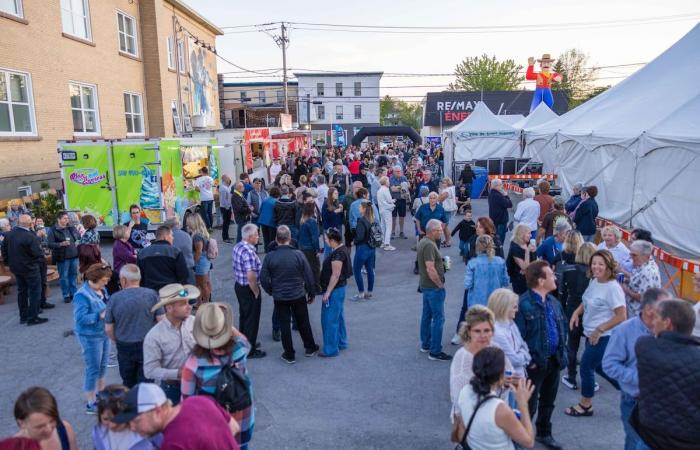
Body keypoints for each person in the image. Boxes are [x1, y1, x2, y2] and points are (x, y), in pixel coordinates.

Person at [602, 287, 672, 450]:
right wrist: (639, 378)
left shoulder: (669, 329)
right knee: (636, 443)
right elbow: (609, 365)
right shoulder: (624, 331)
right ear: (648, 309)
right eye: (666, 307)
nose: (671, 312)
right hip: (634, 402)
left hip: (661, 402)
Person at [181, 303, 254, 449]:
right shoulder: (239, 350)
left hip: (214, 431)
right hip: (242, 422)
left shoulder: (193, 364)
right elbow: (245, 341)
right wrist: (226, 324)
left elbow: (187, 404)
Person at [565, 250, 626, 417]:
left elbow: (622, 315)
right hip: (591, 332)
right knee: (601, 368)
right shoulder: (594, 281)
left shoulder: (613, 288)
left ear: (608, 266)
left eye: (600, 264)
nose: (596, 267)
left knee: (586, 366)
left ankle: (586, 405)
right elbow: (586, 300)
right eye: (594, 263)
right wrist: (576, 313)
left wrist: (600, 329)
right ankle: (632, 391)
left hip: (603, 336)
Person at [514, 261, 568, 450]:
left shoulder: (554, 302)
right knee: (529, 404)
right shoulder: (523, 305)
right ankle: (522, 437)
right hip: (534, 365)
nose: (555, 277)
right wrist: (530, 363)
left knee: (548, 401)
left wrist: (563, 354)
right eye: (551, 275)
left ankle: (544, 433)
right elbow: (518, 338)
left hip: (553, 360)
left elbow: (562, 329)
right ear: (540, 280)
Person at [633, 299, 700, 450]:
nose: (652, 322)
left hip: (650, 439)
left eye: (656, 317)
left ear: (667, 323)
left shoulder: (645, 346)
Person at [112, 383, 240, 450]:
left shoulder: (173, 443)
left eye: (136, 420)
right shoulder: (199, 401)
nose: (133, 427)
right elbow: (234, 427)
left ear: (157, 410)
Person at [454, 347, 536, 450]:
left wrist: (500, 382)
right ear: (501, 375)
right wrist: (523, 404)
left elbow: (462, 426)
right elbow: (528, 442)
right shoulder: (500, 409)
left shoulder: (465, 391)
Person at [260, 225, 319, 364]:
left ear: (276, 239)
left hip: (280, 296)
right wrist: (311, 292)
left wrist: (271, 290)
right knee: (303, 321)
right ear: (290, 238)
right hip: (298, 294)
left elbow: (263, 278)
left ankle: (289, 353)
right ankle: (310, 347)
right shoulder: (298, 254)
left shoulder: (270, 256)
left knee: (284, 324)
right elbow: (309, 275)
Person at [105, 264, 164, 387]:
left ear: (124, 280)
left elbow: (108, 328)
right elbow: (162, 321)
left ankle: (131, 404)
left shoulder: (114, 299)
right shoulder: (152, 295)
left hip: (124, 345)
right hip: (147, 344)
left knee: (128, 383)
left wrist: (117, 340)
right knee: (147, 383)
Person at [143, 283, 198, 405]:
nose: (189, 307)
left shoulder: (194, 322)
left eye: (189, 302)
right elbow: (149, 371)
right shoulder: (154, 336)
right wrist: (178, 373)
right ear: (169, 308)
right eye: (183, 304)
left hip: (198, 384)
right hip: (173, 391)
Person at [73, 262, 113, 414]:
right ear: (95, 279)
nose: (106, 282)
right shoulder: (81, 295)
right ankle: (91, 403)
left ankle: (101, 395)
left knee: (103, 366)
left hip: (103, 334)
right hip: (90, 337)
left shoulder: (102, 290)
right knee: (93, 369)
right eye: (104, 280)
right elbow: (80, 319)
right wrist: (99, 315)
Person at [450, 306, 508, 405]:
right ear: (468, 331)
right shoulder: (462, 359)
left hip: (499, 410)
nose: (482, 336)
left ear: (493, 331)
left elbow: (509, 373)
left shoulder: (495, 348)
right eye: (477, 331)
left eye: (487, 330)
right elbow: (459, 402)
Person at [558, 242, 596, 390]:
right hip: (591, 313)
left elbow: (562, 293)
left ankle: (571, 377)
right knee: (589, 346)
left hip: (572, 309)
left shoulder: (568, 270)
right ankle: (589, 378)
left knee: (572, 346)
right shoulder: (595, 274)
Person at [1, 214, 48, 325]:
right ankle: (33, 317)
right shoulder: (30, 236)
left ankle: (24, 316)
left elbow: (4, 250)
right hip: (30, 268)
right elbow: (38, 253)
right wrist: (38, 262)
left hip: (16, 268)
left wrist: (9, 263)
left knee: (22, 292)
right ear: (30, 223)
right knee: (34, 292)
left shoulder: (9, 235)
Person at [417, 219, 451, 361]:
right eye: (439, 230)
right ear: (432, 231)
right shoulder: (430, 245)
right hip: (433, 287)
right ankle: (435, 351)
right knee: (438, 318)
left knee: (427, 315)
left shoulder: (423, 242)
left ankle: (426, 344)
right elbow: (430, 268)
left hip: (425, 285)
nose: (442, 232)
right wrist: (439, 284)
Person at [232, 223, 266, 359]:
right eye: (257, 235)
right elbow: (251, 276)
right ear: (250, 236)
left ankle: (244, 343)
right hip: (248, 288)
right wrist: (256, 291)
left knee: (244, 316)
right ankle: (250, 350)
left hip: (239, 286)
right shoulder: (248, 252)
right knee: (252, 318)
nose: (258, 237)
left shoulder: (238, 246)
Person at [92, 384, 162, 450]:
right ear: (99, 416)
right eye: (106, 419)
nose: (112, 425)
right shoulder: (98, 432)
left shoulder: (149, 427)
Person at [319, 227, 352, 357]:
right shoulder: (341, 250)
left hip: (335, 290)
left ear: (332, 240)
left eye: (326, 239)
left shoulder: (337, 254)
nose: (325, 241)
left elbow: (336, 275)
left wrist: (327, 292)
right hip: (340, 289)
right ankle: (341, 342)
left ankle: (331, 348)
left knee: (330, 319)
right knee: (339, 316)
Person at [13, 386, 78, 450]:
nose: (49, 429)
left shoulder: (64, 429)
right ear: (21, 424)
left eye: (52, 421)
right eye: (40, 426)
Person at [490, 289, 531, 378]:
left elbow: (524, 345)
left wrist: (521, 353)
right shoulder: (497, 333)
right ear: (504, 308)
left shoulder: (511, 323)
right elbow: (514, 360)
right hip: (508, 382)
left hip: (518, 376)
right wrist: (524, 355)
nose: (517, 310)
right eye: (514, 307)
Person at [137, 225, 190, 292]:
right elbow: (183, 276)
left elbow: (139, 277)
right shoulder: (175, 252)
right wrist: (184, 295)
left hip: (150, 293)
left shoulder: (142, 253)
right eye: (171, 235)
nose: (173, 238)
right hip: (171, 294)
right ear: (165, 236)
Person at [465, 235, 509, 308]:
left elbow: (467, 284)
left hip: (477, 302)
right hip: (496, 301)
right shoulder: (500, 262)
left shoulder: (473, 263)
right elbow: (506, 281)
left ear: (477, 246)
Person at [621, 240, 661, 319]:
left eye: (634, 255)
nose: (631, 257)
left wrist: (625, 289)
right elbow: (637, 281)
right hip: (632, 311)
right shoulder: (643, 263)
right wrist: (623, 277)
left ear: (646, 256)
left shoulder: (648, 272)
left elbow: (643, 298)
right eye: (630, 254)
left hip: (638, 316)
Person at [47, 211, 80, 303]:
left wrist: (77, 236)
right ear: (59, 219)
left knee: (73, 275)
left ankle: (74, 292)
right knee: (64, 277)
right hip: (62, 257)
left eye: (67, 218)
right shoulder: (53, 230)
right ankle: (66, 294)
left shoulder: (70, 227)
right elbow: (49, 244)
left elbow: (78, 236)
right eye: (65, 218)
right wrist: (61, 244)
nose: (67, 220)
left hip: (73, 255)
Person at [352, 201, 377, 301]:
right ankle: (369, 292)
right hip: (372, 248)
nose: (358, 208)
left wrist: (354, 241)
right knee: (370, 270)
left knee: (356, 270)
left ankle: (361, 293)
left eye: (360, 207)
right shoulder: (372, 219)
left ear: (364, 209)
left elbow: (360, 237)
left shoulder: (362, 220)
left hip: (362, 248)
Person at [186, 214, 212, 306]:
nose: (187, 224)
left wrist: (193, 263)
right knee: (203, 284)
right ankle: (201, 303)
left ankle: (205, 304)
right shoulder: (203, 233)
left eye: (188, 222)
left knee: (202, 285)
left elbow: (198, 251)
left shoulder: (196, 236)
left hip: (200, 262)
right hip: (205, 261)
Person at [506, 224, 537, 295]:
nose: (531, 235)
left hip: (531, 277)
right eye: (528, 233)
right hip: (519, 281)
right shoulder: (515, 247)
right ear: (521, 234)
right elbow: (525, 267)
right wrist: (527, 251)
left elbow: (535, 262)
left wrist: (534, 251)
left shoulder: (528, 243)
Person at [164, 217, 195, 285]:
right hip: (189, 268)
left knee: (178, 294)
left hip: (176, 272)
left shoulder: (168, 237)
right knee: (190, 293)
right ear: (177, 225)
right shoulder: (187, 235)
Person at [298, 202, 321, 292]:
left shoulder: (303, 221)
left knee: (306, 268)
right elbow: (314, 237)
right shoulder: (312, 222)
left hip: (302, 247)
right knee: (315, 268)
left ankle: (307, 287)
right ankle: (316, 288)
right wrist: (317, 250)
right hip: (310, 248)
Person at [111, 224, 137, 291]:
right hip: (122, 272)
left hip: (126, 270)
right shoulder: (119, 245)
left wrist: (135, 255)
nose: (129, 232)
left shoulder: (125, 243)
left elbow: (134, 253)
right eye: (127, 231)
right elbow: (131, 258)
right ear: (122, 233)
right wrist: (137, 256)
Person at [488, 179, 512, 244]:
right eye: (501, 185)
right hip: (500, 221)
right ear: (497, 186)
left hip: (494, 219)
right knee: (500, 241)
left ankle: (495, 252)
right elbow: (509, 204)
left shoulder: (491, 194)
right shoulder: (498, 195)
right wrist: (506, 196)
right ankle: (499, 253)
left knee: (495, 239)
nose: (502, 186)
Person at [389, 166, 409, 238]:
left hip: (402, 199)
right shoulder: (391, 178)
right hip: (394, 199)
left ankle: (401, 231)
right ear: (394, 172)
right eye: (397, 171)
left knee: (402, 217)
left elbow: (407, 187)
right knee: (393, 217)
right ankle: (393, 232)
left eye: (400, 171)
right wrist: (402, 187)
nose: (399, 173)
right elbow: (393, 189)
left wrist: (398, 187)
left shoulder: (404, 178)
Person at [376, 176, 396, 251]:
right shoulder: (386, 190)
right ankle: (387, 244)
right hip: (387, 210)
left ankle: (383, 242)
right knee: (388, 226)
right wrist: (393, 201)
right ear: (385, 182)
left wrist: (391, 201)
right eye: (388, 181)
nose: (389, 182)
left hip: (381, 210)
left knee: (383, 226)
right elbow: (389, 200)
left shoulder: (379, 190)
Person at [259, 186, 280, 250]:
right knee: (272, 238)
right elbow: (277, 213)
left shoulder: (265, 200)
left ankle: (266, 249)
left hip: (263, 221)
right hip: (271, 222)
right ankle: (271, 250)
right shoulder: (276, 202)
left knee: (265, 237)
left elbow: (260, 210)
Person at [220, 175, 233, 243]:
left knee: (227, 223)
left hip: (227, 207)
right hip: (225, 207)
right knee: (225, 223)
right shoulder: (223, 188)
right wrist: (227, 207)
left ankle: (227, 236)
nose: (229, 179)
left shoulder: (226, 187)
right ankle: (225, 237)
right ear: (224, 179)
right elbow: (224, 199)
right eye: (228, 178)